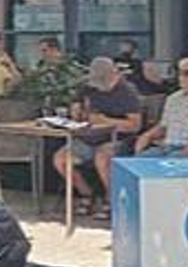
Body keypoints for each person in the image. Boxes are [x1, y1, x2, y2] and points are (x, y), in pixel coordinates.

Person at [53, 58, 142, 218]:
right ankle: (86, 194)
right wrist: (76, 111)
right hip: (88, 137)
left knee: (103, 157)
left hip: (117, 138)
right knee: (61, 159)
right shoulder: (88, 88)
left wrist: (105, 120)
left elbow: (134, 125)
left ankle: (111, 198)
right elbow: (77, 106)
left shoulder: (126, 92)